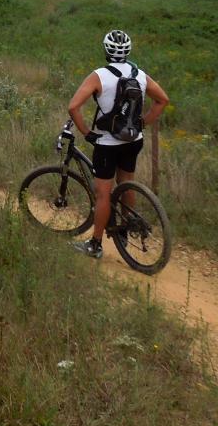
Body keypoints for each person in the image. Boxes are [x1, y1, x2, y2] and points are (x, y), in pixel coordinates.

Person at [67, 29, 169, 259]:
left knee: (103, 194)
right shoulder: (139, 74)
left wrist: (87, 133)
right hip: (133, 140)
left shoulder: (99, 76)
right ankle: (126, 226)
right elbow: (163, 100)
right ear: (128, 51)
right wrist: (142, 123)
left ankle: (95, 245)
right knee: (126, 182)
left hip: (107, 143)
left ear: (106, 50)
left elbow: (73, 107)